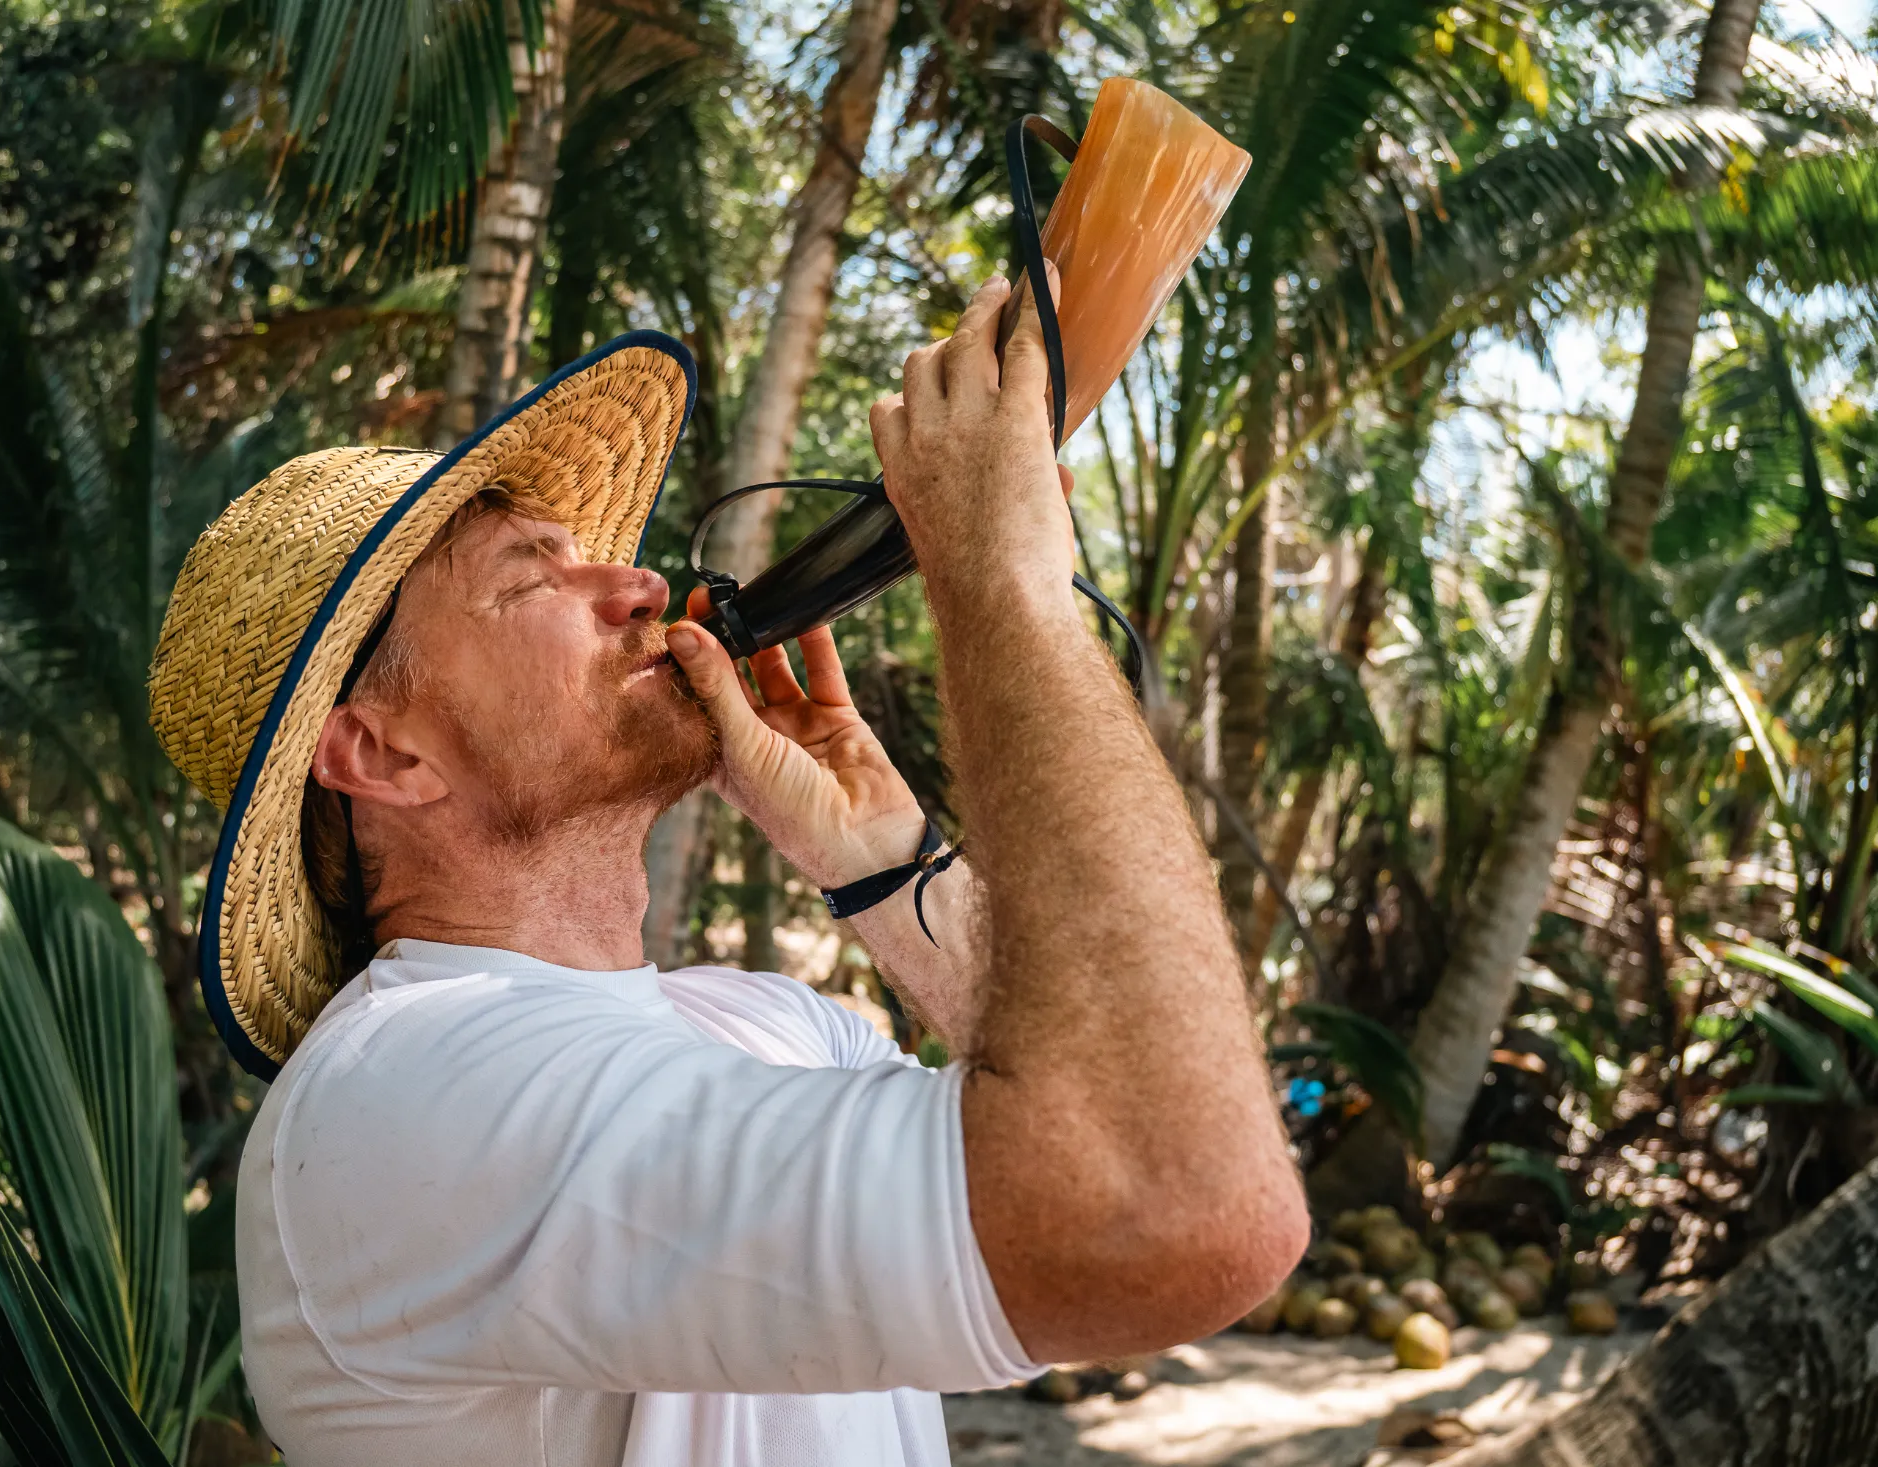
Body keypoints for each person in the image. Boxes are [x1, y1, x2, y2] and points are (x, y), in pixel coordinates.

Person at [146, 276, 1307, 1467]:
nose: (639, 584)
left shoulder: (766, 1024)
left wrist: (876, 860)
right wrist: (1003, 587)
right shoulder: (401, 1092)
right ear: (384, 751)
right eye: (532, 579)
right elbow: (1171, 1205)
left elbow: (1103, 1116)